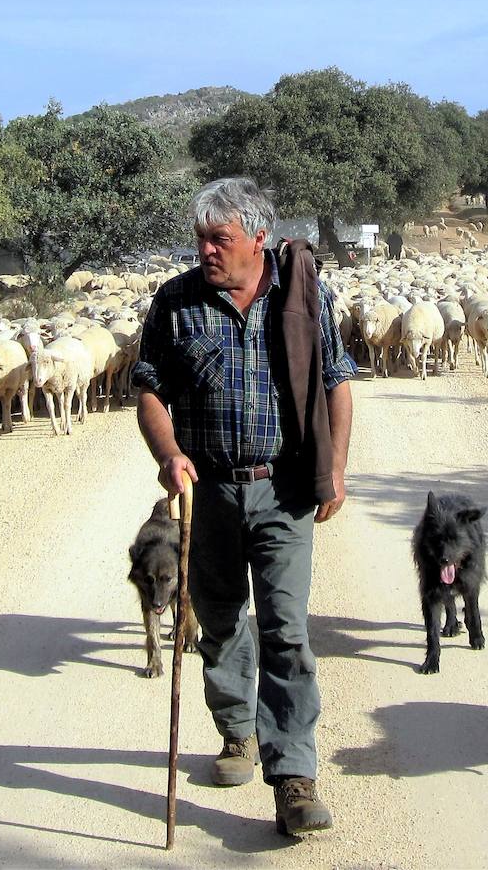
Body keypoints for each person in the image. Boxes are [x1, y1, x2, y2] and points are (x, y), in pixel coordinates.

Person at [131, 177, 356, 836]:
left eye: (218, 239)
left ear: (257, 237)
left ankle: (294, 777)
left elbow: (338, 382)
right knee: (222, 621)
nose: (205, 249)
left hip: (283, 488)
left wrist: (335, 466)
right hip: (209, 496)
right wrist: (168, 452)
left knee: (286, 629)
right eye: (200, 238)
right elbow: (149, 389)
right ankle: (237, 730)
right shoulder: (175, 303)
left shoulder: (304, 295)